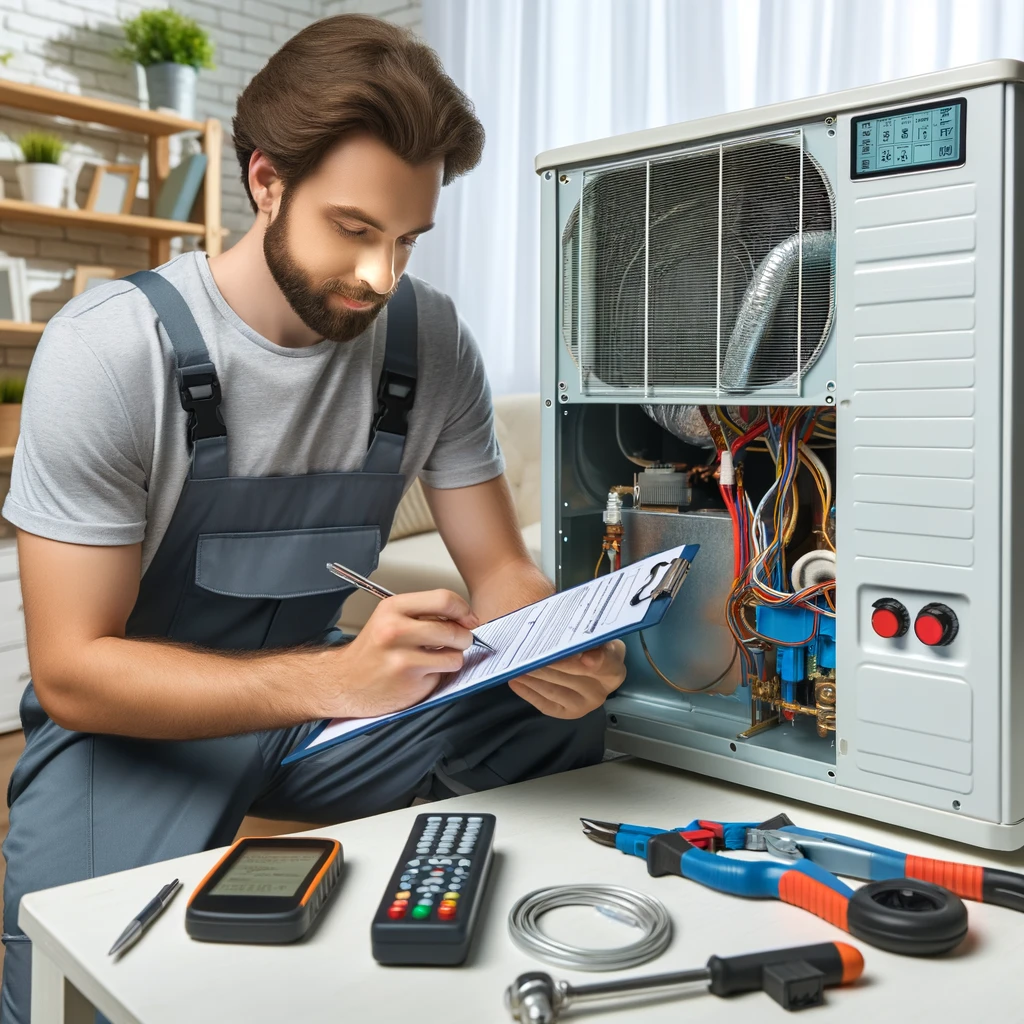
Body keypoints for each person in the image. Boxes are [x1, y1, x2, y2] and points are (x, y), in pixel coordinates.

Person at [0, 14, 625, 1023]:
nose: (382, 275)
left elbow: (499, 568)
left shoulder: (428, 341)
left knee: (553, 712)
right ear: (265, 182)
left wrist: (557, 640)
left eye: (407, 238)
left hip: (317, 711)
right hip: (132, 728)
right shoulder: (113, 350)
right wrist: (338, 674)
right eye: (354, 228)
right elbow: (72, 669)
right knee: (68, 972)